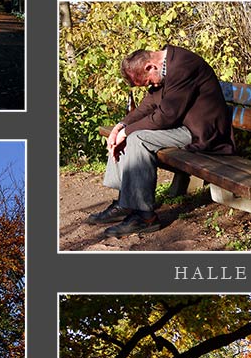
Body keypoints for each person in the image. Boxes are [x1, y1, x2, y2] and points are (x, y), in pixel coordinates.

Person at [87, 45, 235, 236]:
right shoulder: (163, 69)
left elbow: (167, 116)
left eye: (148, 81)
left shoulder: (183, 66)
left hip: (202, 132)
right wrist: (120, 126)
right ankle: (126, 203)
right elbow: (147, 106)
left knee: (138, 138)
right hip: (183, 126)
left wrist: (129, 131)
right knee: (124, 136)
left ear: (150, 67)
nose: (151, 86)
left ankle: (145, 217)